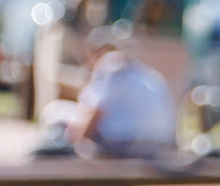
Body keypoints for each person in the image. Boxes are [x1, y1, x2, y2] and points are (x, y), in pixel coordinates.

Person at [72, 29, 180, 159]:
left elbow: (95, 112)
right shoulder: (151, 75)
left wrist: (72, 147)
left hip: (126, 145)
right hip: (161, 146)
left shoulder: (111, 64)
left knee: (61, 123)